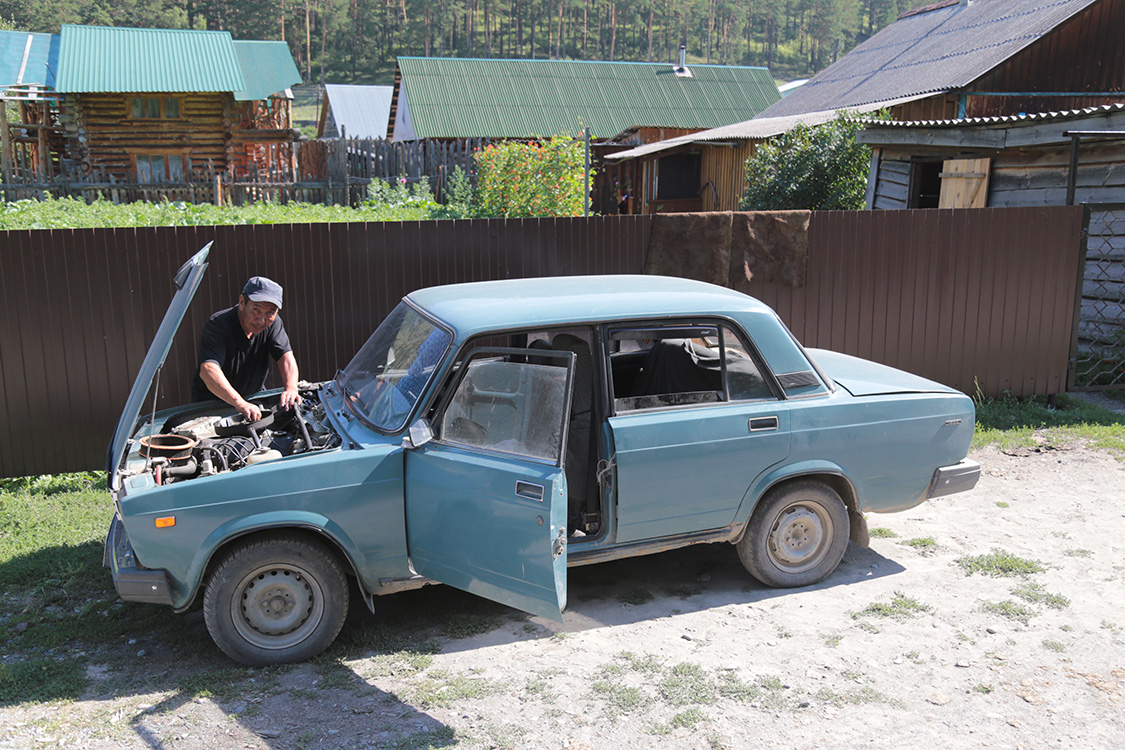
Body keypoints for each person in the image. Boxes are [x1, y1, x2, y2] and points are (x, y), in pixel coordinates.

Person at [190, 276, 301, 421]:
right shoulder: (218, 325)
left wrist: (291, 388)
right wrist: (240, 403)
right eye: (256, 310)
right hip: (213, 406)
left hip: (253, 400)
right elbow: (208, 370)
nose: (262, 320)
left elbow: (285, 356)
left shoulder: (273, 324)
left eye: (270, 313)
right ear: (242, 302)